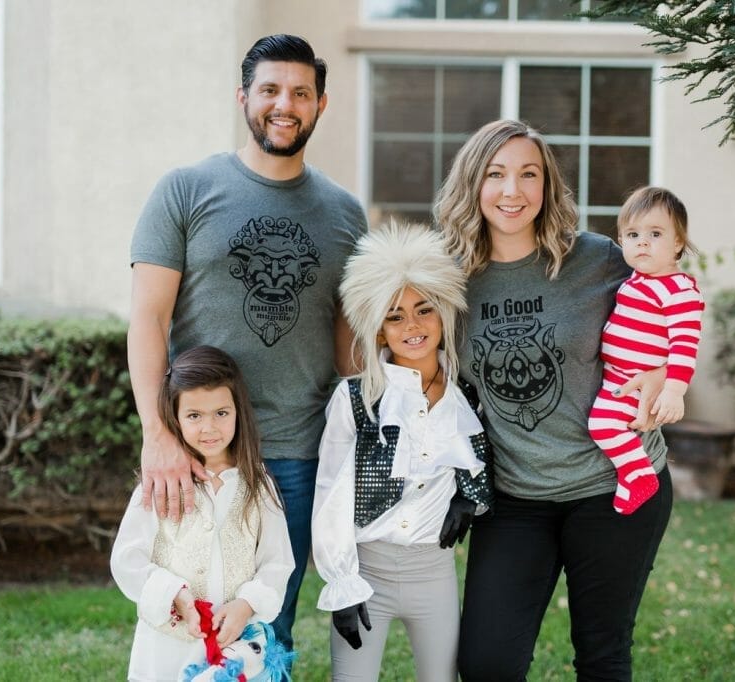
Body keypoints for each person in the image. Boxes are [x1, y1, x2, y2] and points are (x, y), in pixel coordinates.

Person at [127, 34, 367, 650]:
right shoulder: (184, 190)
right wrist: (159, 437)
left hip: (294, 455)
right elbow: (149, 321)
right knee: (181, 625)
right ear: (243, 97)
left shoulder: (344, 214)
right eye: (269, 90)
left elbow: (348, 354)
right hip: (199, 452)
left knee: (263, 633)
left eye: (300, 93)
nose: (284, 104)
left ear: (320, 105)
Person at [434, 119, 674, 681]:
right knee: (487, 664)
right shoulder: (447, 277)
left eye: (528, 174)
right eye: (496, 175)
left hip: (614, 482)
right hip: (516, 496)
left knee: (602, 655)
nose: (512, 191)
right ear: (473, 184)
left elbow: (670, 302)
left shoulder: (599, 258)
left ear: (547, 185)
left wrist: (665, 369)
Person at [312, 222, 493, 682]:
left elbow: (481, 456)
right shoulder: (355, 399)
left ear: (444, 313)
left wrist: (470, 495)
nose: (412, 326)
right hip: (367, 568)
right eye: (395, 316)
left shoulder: (465, 394)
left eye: (424, 309)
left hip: (434, 572)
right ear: (378, 331)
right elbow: (331, 493)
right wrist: (342, 582)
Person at [110, 345, 295, 682]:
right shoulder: (160, 484)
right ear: (175, 418)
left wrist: (246, 605)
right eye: (194, 415)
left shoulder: (258, 485)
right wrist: (173, 594)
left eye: (221, 413)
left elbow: (277, 562)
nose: (209, 427)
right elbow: (127, 558)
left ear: (238, 412)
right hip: (168, 645)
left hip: (233, 644)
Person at [588, 186, 705, 515]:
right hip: (618, 376)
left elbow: (685, 344)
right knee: (605, 425)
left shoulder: (678, 289)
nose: (642, 242)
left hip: (635, 382)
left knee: (602, 426)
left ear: (678, 242)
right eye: (632, 234)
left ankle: (637, 474)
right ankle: (633, 473)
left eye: (655, 234)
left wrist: (673, 391)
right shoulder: (636, 280)